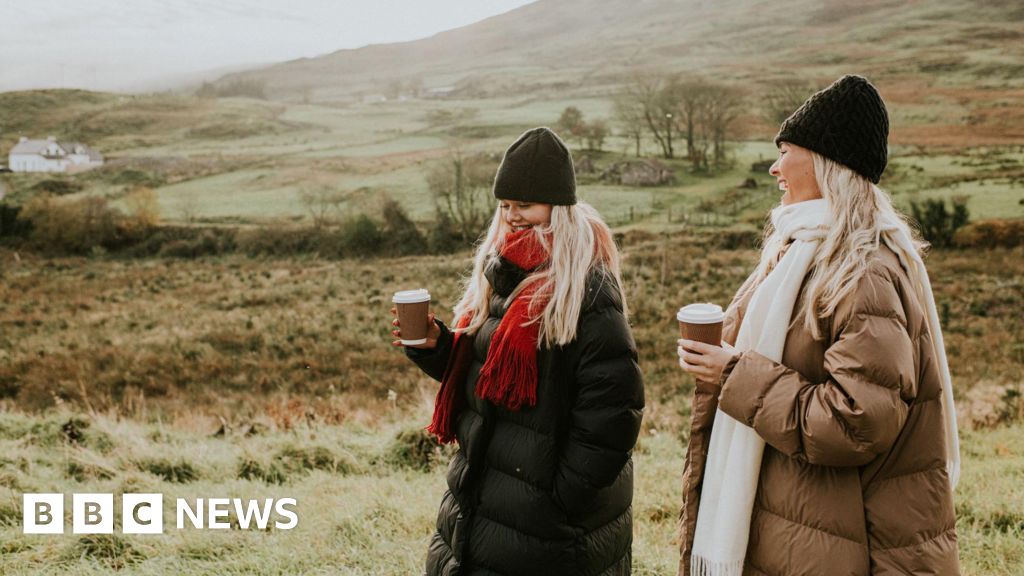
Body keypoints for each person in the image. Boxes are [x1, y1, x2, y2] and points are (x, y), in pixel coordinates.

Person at [676, 75, 961, 575]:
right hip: (808, 527)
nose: (774, 166)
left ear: (827, 163)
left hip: (849, 543)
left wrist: (733, 374)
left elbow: (856, 421)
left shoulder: (863, 273)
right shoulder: (803, 252)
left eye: (785, 150)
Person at [391, 127, 644, 576]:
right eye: (506, 205)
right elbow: (494, 377)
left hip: (549, 532)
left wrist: (558, 498)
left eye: (525, 205)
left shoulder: (585, 287)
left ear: (559, 208)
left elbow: (614, 412)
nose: (512, 217)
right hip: (486, 504)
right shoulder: (503, 272)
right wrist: (439, 348)